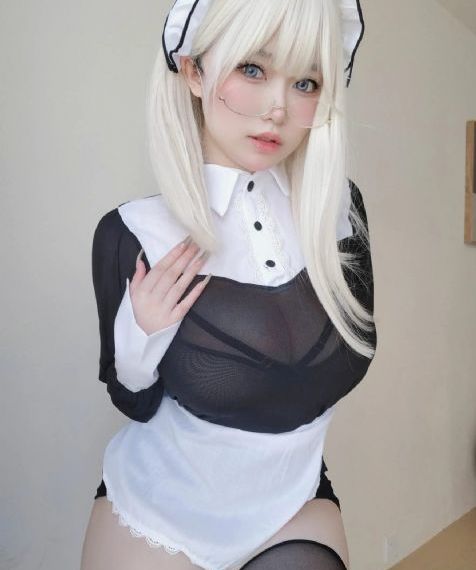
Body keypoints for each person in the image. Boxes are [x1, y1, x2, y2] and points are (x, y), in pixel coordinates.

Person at [80, 0, 377, 568]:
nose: (277, 109)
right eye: (253, 69)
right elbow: (132, 400)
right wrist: (142, 333)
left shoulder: (340, 212)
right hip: (161, 508)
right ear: (194, 72)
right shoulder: (135, 232)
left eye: (306, 82)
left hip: (293, 498)